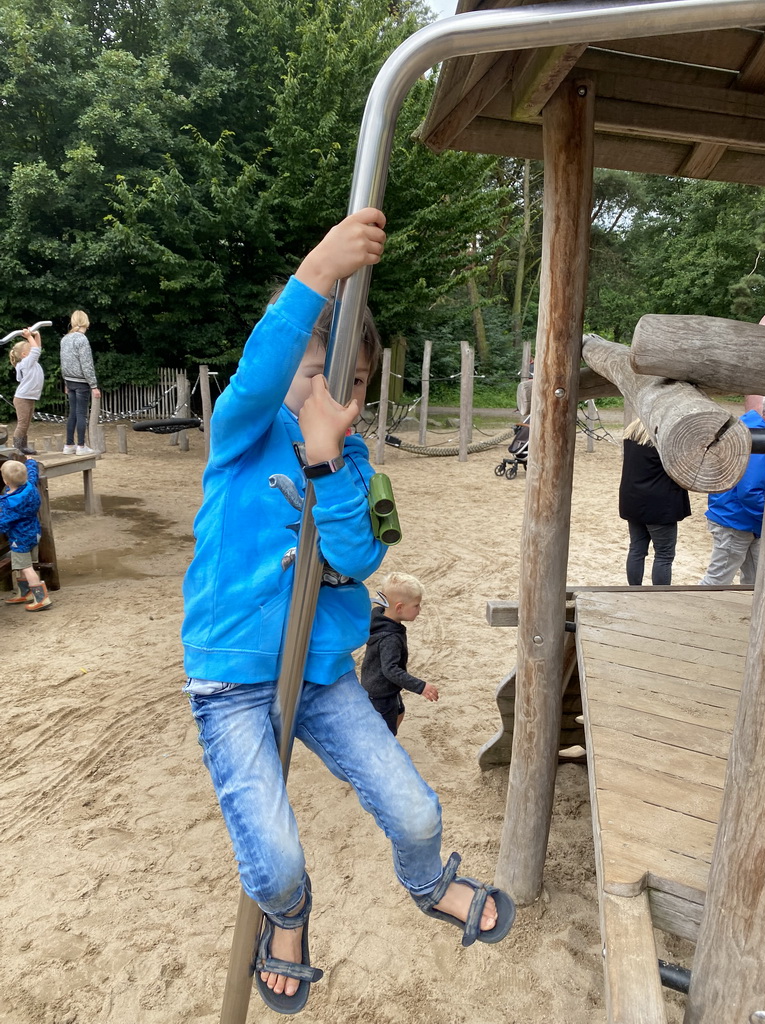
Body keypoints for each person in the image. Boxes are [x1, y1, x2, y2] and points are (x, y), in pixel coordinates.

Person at [181, 208, 515, 1016]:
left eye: (354, 380)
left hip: (324, 674)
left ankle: (429, 881)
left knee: (415, 808)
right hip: (233, 680)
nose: (331, 390)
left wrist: (328, 456)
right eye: (312, 370)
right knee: (278, 861)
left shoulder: (355, 457)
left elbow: (362, 556)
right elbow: (267, 366)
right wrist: (319, 269)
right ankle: (289, 920)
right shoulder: (242, 433)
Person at [700, 394, 765, 586]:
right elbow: (750, 491)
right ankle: (696, 610)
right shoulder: (757, 435)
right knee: (717, 580)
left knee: (757, 579)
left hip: (739, 517)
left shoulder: (745, 424)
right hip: (736, 519)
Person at [360, 571, 439, 735]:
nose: (420, 609)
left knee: (399, 712)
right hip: (381, 693)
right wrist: (421, 687)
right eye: (416, 605)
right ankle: (385, 751)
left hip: (383, 687)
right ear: (399, 607)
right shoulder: (390, 638)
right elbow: (391, 670)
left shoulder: (381, 619)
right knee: (384, 730)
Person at [619, 418, 691, 585]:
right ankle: (661, 595)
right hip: (660, 505)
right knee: (664, 555)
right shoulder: (665, 439)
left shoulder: (633, 433)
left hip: (633, 500)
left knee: (637, 549)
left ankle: (634, 589)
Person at [0, 456, 51, 611]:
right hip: (33, 533)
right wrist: (30, 462)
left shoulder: (9, 504)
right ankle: (26, 592)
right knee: (24, 566)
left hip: (19, 539)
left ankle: (42, 598)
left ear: (6, 482)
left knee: (27, 568)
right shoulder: (30, 486)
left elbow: (2, 523)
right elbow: (33, 473)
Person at [60, 310, 100, 455]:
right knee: (81, 413)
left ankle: (69, 444)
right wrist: (93, 385)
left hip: (69, 380)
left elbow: (64, 362)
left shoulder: (65, 339)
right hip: (81, 381)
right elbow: (87, 364)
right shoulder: (82, 339)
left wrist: (65, 381)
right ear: (86, 322)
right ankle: (81, 446)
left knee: (73, 413)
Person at [9, 327, 44, 455]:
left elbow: (37, 349)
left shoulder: (31, 362)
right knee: (22, 424)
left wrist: (36, 334)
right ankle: (16, 448)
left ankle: (22, 447)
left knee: (27, 423)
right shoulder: (26, 363)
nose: (34, 350)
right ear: (24, 354)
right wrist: (29, 337)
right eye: (30, 349)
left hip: (29, 397)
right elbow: (36, 351)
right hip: (22, 398)